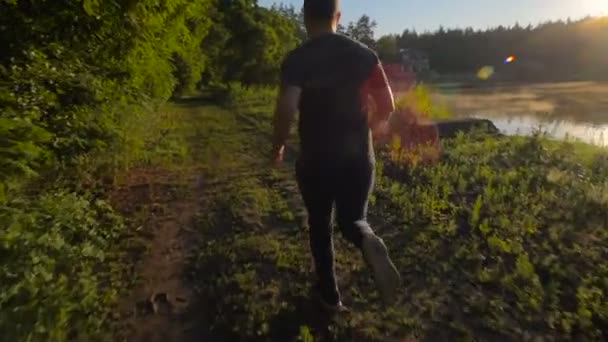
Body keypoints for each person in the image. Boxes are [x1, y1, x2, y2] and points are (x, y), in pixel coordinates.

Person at [270, 0, 401, 311]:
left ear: (305, 17)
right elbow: (388, 106)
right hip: (358, 156)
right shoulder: (365, 55)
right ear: (337, 17)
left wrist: (278, 143)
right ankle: (366, 237)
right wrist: (370, 127)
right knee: (353, 218)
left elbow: (286, 108)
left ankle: (330, 296)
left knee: (320, 222)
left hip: (316, 158)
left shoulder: (298, 59)